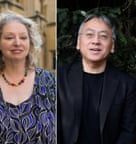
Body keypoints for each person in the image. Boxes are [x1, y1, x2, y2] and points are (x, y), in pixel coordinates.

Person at [0, 11, 56, 143]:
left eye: (23, 37)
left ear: (30, 43)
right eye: (9, 38)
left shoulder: (48, 82)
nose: (17, 43)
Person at [57, 13, 136, 144]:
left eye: (104, 36)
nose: (96, 41)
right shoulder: (59, 78)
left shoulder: (127, 85)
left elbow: (129, 132)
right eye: (89, 35)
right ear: (78, 43)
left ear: (112, 46)